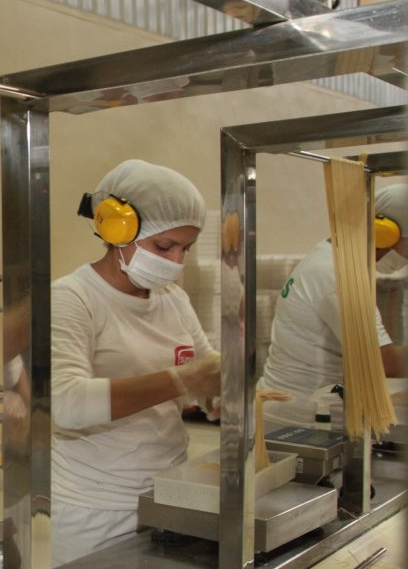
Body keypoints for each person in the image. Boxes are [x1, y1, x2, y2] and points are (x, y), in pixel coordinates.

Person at [49, 159, 220, 565]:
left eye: (186, 249)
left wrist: (221, 390)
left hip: (170, 491)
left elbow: (206, 364)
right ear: (116, 229)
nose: (177, 262)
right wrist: (183, 379)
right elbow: (65, 404)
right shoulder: (72, 299)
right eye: (164, 247)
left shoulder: (172, 299)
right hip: (97, 508)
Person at [257, 182, 408, 429]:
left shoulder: (329, 257)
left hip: (300, 407)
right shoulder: (339, 274)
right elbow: (382, 361)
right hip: (302, 418)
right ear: (385, 233)